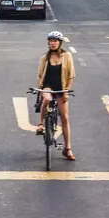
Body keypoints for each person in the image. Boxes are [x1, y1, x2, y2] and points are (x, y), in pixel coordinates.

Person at [36, 31, 76, 161]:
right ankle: (41, 124)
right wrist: (40, 90)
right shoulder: (45, 58)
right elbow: (40, 76)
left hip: (61, 87)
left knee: (64, 118)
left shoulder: (67, 56)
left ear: (60, 43)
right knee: (46, 98)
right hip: (48, 85)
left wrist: (66, 91)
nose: (53, 43)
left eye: (55, 41)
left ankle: (67, 148)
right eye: (51, 41)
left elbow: (71, 75)